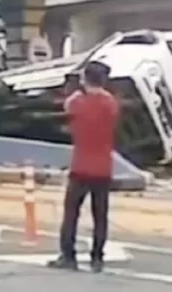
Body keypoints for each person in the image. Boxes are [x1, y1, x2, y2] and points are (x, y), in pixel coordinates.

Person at [48, 60, 119, 273]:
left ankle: (68, 256)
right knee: (100, 214)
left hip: (80, 166)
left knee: (71, 213)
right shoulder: (111, 103)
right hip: (104, 167)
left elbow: (66, 106)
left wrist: (77, 90)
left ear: (84, 78)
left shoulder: (76, 102)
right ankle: (97, 258)